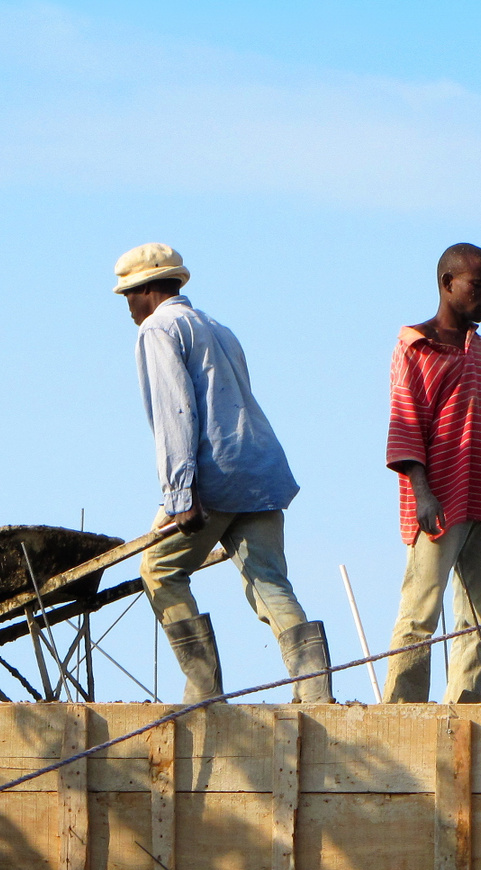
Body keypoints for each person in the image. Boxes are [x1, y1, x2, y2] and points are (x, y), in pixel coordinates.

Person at [116, 243, 332, 704]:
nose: (128, 307)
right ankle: (315, 690)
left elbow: (177, 410)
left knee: (159, 570)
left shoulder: (158, 328)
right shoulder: (219, 329)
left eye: (129, 295)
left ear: (148, 290)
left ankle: (203, 688)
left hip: (215, 477)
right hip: (261, 472)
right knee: (269, 580)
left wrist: (179, 494)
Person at [382, 243, 481, 703]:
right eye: (477, 286)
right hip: (439, 497)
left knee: (478, 611)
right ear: (447, 283)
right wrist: (422, 492)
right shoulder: (415, 347)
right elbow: (406, 424)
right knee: (421, 609)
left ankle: (467, 701)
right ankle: (402, 706)